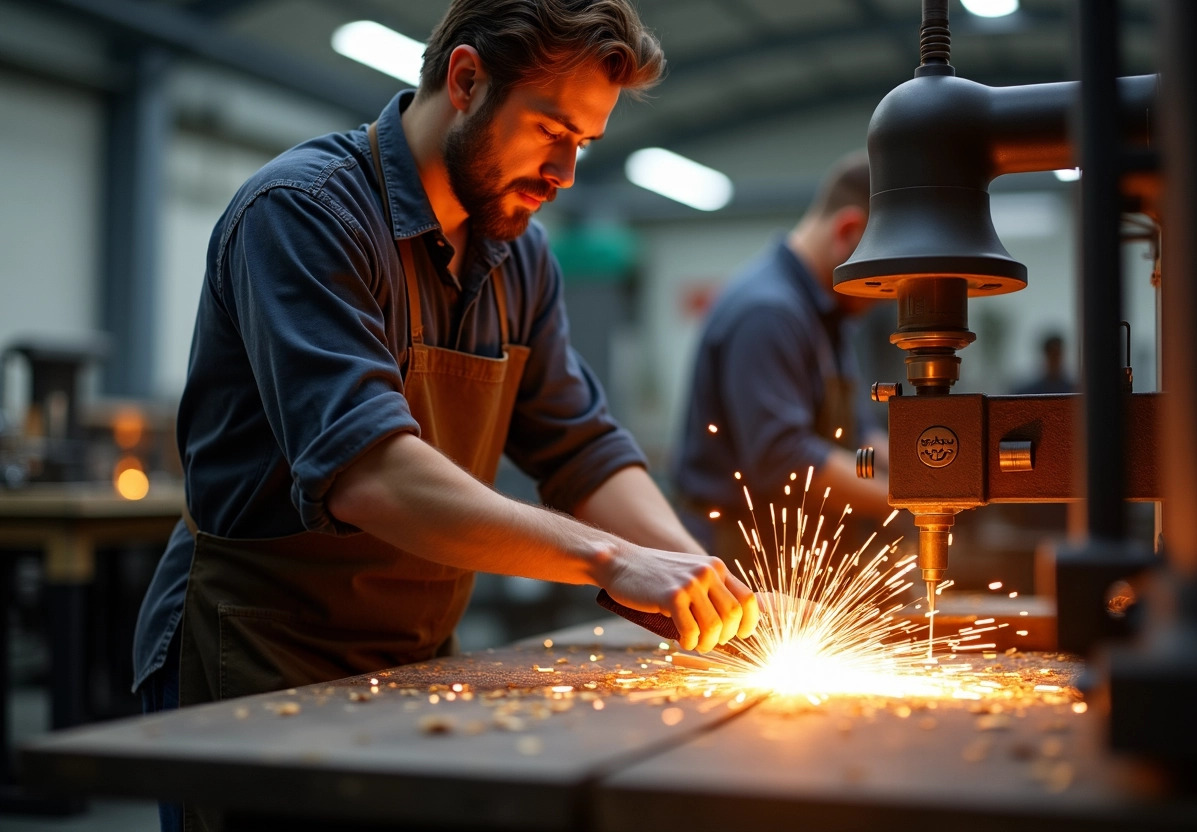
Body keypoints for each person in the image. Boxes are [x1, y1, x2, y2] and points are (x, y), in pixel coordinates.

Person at [133, 3, 757, 820]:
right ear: (465, 80)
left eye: (585, 144)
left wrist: (706, 586)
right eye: (550, 130)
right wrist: (612, 561)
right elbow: (371, 474)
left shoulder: (519, 256)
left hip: (414, 653)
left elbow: (583, 449)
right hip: (259, 649)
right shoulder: (304, 214)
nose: (566, 172)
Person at [671, 151, 895, 570]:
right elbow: (784, 459)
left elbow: (858, 433)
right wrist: (903, 502)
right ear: (849, 230)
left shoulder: (827, 312)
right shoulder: (768, 313)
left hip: (792, 556)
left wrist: (924, 472)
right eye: (883, 282)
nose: (887, 296)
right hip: (737, 560)